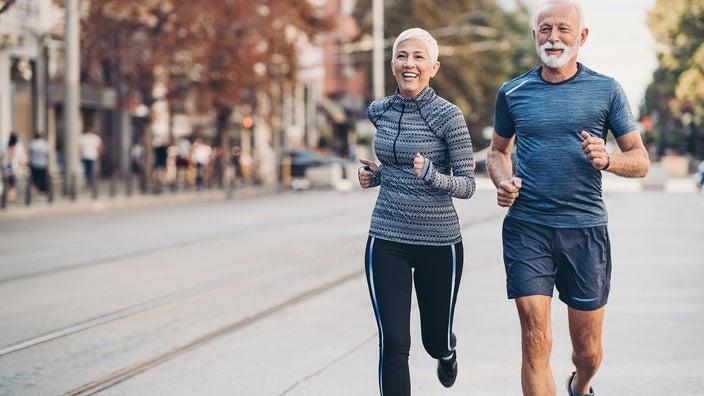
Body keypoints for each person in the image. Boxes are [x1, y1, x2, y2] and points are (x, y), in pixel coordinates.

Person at [486, 1, 650, 395]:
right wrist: (503, 182)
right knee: (535, 338)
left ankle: (581, 384)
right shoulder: (513, 91)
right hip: (528, 227)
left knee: (588, 351)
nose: (553, 37)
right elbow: (497, 151)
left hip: (585, 231)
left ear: (582, 37)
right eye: (545, 29)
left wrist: (608, 160)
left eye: (563, 29)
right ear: (534, 36)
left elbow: (641, 160)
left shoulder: (606, 90)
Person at [357, 27, 476, 395]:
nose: (410, 64)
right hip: (386, 237)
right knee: (393, 343)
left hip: (438, 243)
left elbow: (469, 185)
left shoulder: (448, 116)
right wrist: (375, 176)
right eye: (402, 56)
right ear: (392, 63)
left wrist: (432, 175)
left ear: (434, 67)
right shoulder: (379, 111)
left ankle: (447, 351)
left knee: (432, 341)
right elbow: (394, 167)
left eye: (419, 57)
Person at [1, 132, 27, 202]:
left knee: (9, 182)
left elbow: (1, 156)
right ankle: (10, 196)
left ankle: (9, 196)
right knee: (13, 183)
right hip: (15, 168)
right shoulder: (19, 145)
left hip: (7, 167)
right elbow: (23, 158)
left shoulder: (4, 144)